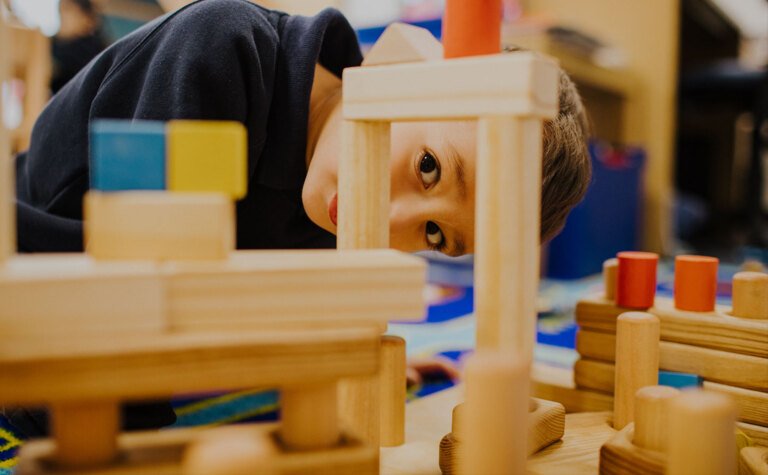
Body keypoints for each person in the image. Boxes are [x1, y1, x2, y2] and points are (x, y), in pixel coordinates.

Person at [11, 0, 590, 435]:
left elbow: (281, 306)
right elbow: (129, 314)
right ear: (405, 73)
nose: (393, 219)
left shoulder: (333, 186)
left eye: (435, 234)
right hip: (34, 257)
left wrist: (357, 350)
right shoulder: (220, 49)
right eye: (430, 167)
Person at [50, 0, 108, 93]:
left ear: (86, 19)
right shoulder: (52, 44)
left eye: (67, 10)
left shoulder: (93, 51)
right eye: (60, 10)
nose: (62, 16)